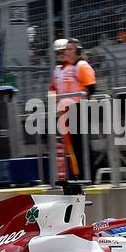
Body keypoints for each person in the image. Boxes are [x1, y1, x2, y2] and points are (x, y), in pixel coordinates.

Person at [50, 37, 96, 179]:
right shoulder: (58, 70)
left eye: (67, 50)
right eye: (60, 52)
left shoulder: (79, 65)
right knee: (73, 146)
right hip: (67, 111)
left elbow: (90, 87)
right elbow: (53, 89)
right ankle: (79, 175)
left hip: (77, 108)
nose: (62, 54)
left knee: (80, 145)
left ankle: (86, 176)